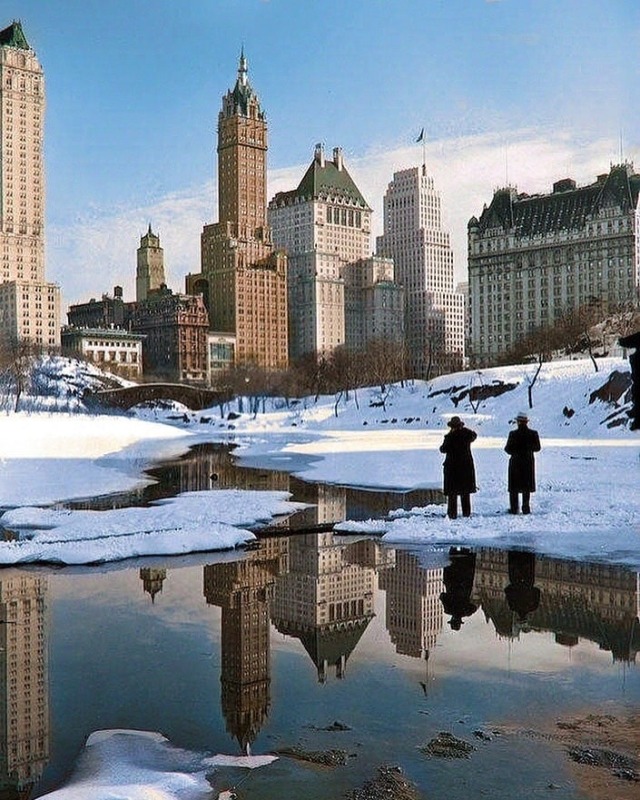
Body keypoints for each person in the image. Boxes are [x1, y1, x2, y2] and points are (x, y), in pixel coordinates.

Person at [439, 416, 477, 519]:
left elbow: (443, 449)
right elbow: (474, 435)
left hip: (452, 468)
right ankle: (466, 513)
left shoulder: (449, 437)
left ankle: (452, 514)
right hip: (466, 467)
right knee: (465, 492)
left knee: (452, 493)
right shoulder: (466, 435)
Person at [505, 411, 541, 514]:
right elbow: (537, 448)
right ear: (526, 422)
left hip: (515, 463)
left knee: (514, 487)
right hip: (528, 463)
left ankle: (514, 508)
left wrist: (516, 451)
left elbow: (507, 449)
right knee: (526, 486)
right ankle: (526, 508)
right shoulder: (533, 434)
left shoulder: (513, 434)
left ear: (518, 422)